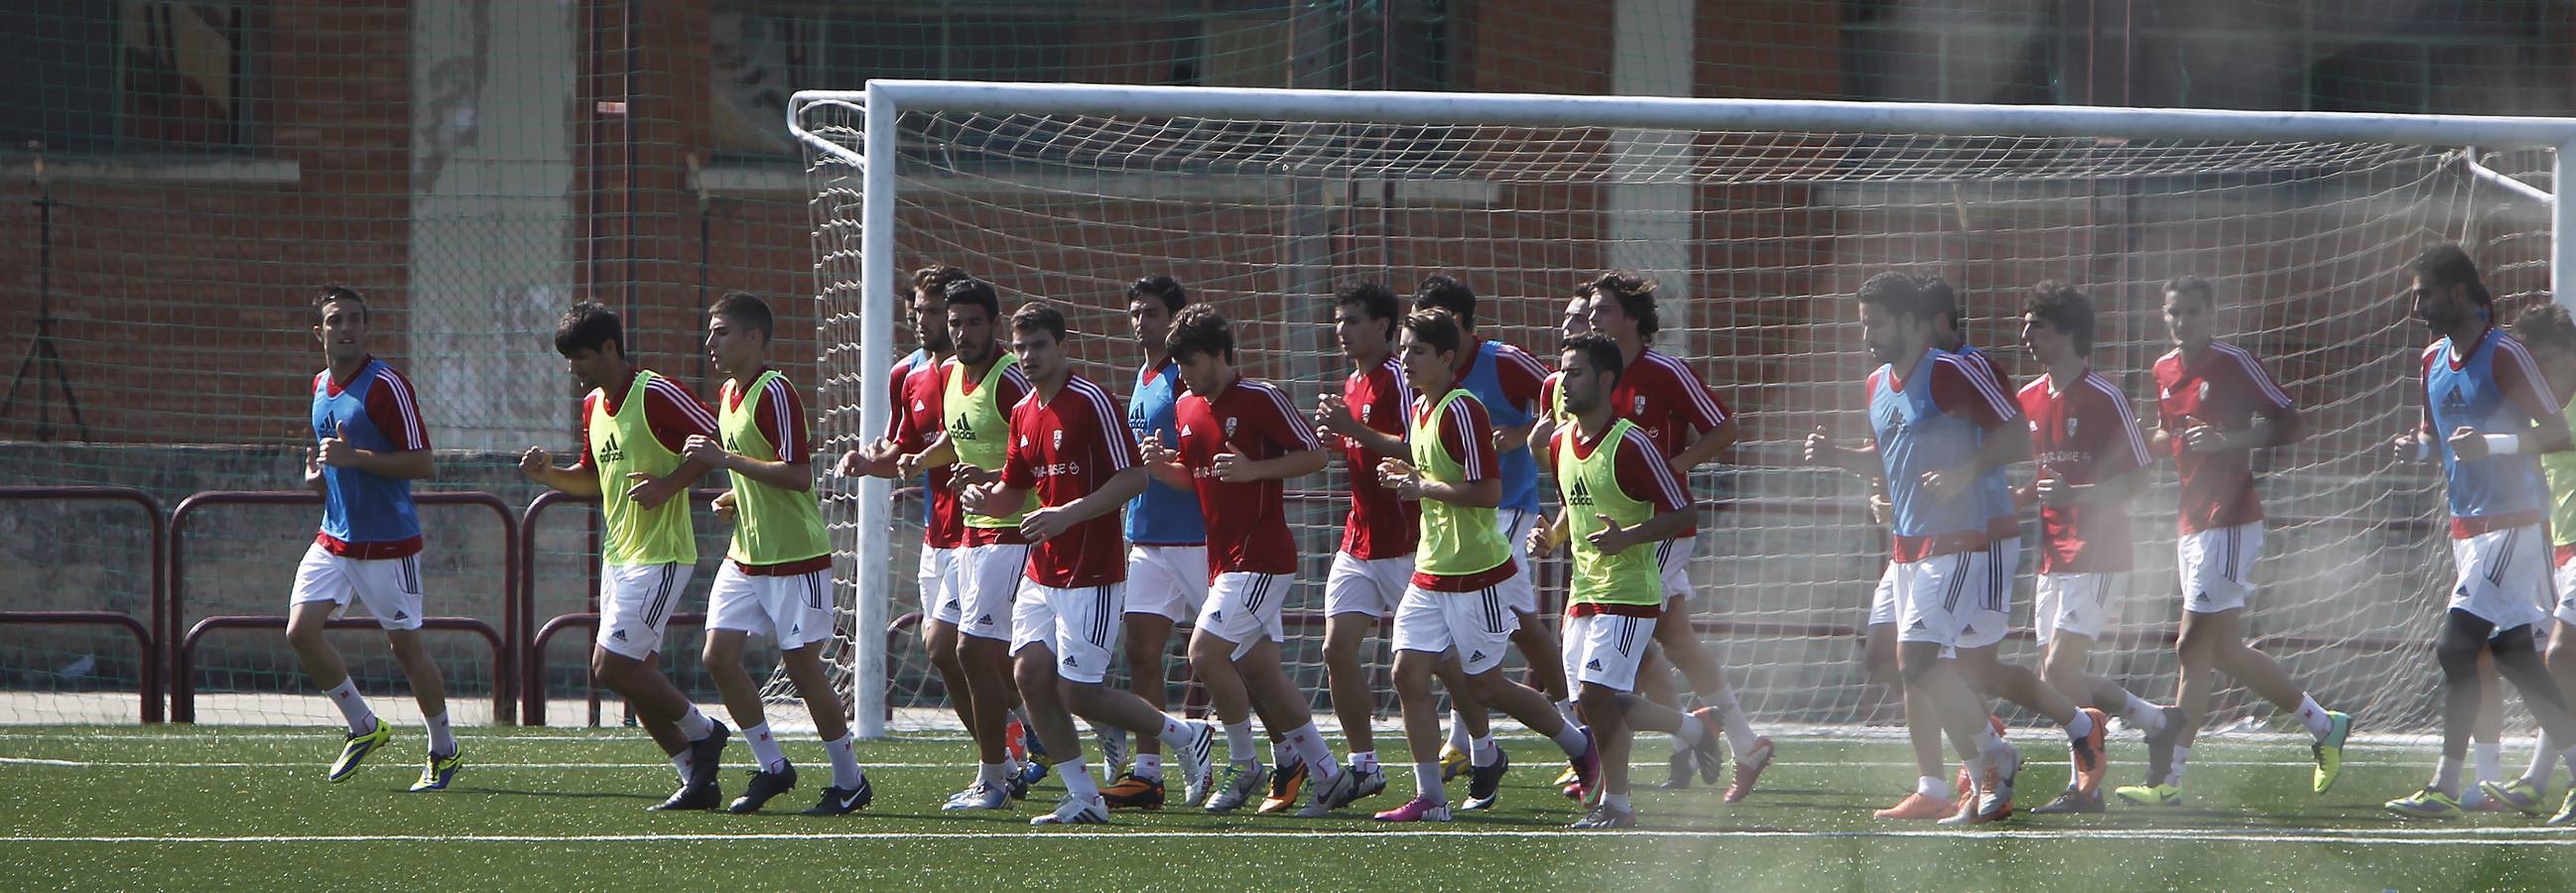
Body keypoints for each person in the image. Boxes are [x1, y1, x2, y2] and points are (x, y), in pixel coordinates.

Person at [959, 302, 1218, 827]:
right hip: (1042, 568)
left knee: (1077, 691)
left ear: (1062, 347)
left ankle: (1186, 735)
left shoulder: (1092, 401)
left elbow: (1133, 478)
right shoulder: (1024, 412)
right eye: (1022, 346)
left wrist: (1067, 514)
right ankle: (1084, 796)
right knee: (1031, 675)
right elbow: (1016, 488)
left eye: (1039, 346)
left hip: (1092, 570)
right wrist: (988, 500)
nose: (1029, 356)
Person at [2111, 275, 2350, 809]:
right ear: (2163, 315)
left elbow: (2291, 423)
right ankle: (2323, 724)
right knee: (2222, 650)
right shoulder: (2163, 370)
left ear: (2211, 313)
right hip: (2190, 523)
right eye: (2174, 313)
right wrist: (2127, 444)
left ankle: (2167, 779)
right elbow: (2163, 431)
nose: (2182, 322)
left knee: (2190, 647)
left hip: (2232, 517)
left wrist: (2228, 440)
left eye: (2192, 312)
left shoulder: (2234, 364)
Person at [1370, 309, 1602, 823]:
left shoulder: (1463, 409)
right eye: (1403, 349)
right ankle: (1431, 798)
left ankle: (1580, 744)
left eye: (1416, 351)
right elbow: (1438, 474)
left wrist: (1419, 485)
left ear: (1446, 358)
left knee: (1486, 686)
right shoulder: (1420, 407)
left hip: (1478, 574)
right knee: (1407, 674)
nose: (1404, 359)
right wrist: (1408, 471)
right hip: (1432, 570)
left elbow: (1487, 492)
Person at [1136, 305, 1358, 817]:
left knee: (1204, 654)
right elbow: (1197, 482)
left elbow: (1315, 455)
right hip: (1224, 559)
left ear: (1219, 354)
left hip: (1260, 557)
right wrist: (1160, 467)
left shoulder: (1260, 397)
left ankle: (1244, 763)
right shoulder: (1188, 406)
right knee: (1260, 674)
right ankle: (1328, 774)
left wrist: (1254, 468)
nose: (1184, 375)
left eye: (1191, 363)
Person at [2381, 245, 2576, 825]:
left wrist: (2491, 444)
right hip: (2467, 527)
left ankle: (2443, 783)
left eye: (2425, 294)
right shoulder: (2430, 360)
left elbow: (2559, 431)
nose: (2417, 305)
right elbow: (2440, 439)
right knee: (2516, 658)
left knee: (2455, 646)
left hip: (2514, 524)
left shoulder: (2505, 353)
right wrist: (2418, 448)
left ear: (2459, 294)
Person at [519, 302, 732, 811]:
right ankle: (694, 778)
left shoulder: (653, 391)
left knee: (611, 667)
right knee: (638, 675)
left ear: (611, 349)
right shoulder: (594, 405)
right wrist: (547, 474)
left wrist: (669, 485)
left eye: (582, 357)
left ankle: (705, 733)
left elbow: (717, 437)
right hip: (619, 555)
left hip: (661, 555)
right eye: (569, 360)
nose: (574, 369)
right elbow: (592, 479)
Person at [689, 292, 872, 815]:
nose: (711, 342)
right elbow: (756, 468)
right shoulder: (728, 393)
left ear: (754, 337)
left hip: (795, 557)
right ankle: (773, 767)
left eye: (721, 331)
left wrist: (724, 460)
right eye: (709, 331)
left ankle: (850, 780)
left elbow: (796, 474)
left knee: (803, 667)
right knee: (718, 658)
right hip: (745, 555)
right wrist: (733, 493)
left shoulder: (776, 391)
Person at [1530, 332, 1719, 829]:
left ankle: (1618, 805)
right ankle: (1694, 730)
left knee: (1596, 696)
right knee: (1590, 702)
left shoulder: (1631, 442)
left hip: (1631, 589)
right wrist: (1550, 539)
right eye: (1563, 371)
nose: (1563, 382)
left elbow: (1683, 511)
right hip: (1583, 591)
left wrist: (1629, 536)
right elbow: (1576, 505)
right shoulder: (1560, 440)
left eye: (1576, 373)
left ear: (1606, 380)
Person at [288, 286, 455, 792]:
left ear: (367, 327)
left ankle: (443, 750)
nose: (346, 329)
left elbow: (423, 463)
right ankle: (363, 725)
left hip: (387, 543)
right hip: (334, 538)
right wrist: (317, 475)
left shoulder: (387, 385)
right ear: (319, 332)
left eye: (355, 320)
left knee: (405, 649)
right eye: (335, 320)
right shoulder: (319, 384)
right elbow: (325, 456)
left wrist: (356, 460)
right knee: (300, 631)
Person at [1309, 281, 1416, 809]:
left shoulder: (1401, 378)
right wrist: (1340, 437)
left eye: (1352, 320)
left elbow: (1418, 447)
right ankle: (1364, 765)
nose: (1341, 331)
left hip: (1406, 541)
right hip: (1359, 539)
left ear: (1382, 327)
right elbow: (1361, 443)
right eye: (1338, 320)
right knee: (1335, 647)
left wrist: (1357, 430)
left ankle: (1483, 749)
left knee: (1443, 663)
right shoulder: (1352, 381)